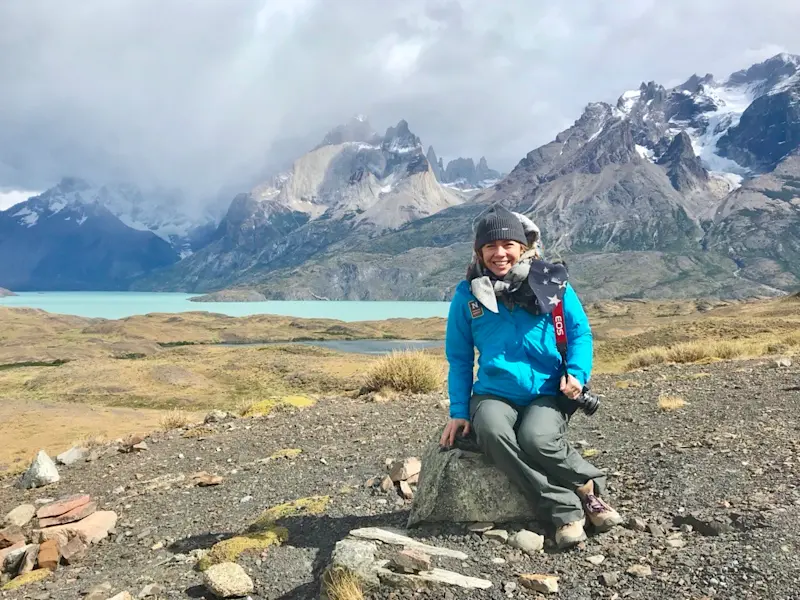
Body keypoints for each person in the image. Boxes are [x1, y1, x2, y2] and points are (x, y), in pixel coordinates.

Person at [440, 203, 622, 549]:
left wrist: (576, 373)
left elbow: (580, 334)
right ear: (479, 251)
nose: (499, 253)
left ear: (523, 247)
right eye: (490, 246)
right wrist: (459, 411)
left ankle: (587, 485)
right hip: (494, 392)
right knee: (492, 431)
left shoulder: (551, 283)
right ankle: (566, 507)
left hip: (547, 391)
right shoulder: (468, 294)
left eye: (507, 244)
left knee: (536, 438)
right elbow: (460, 358)